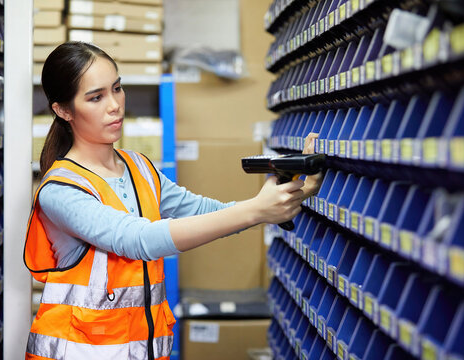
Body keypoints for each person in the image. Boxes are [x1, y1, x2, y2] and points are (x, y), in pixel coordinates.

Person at [23, 41, 322, 360]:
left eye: (117, 88)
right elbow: (137, 239)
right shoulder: (61, 189)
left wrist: (286, 197)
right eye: (96, 97)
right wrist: (255, 210)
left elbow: (208, 213)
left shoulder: (139, 167)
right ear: (63, 110)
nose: (115, 105)